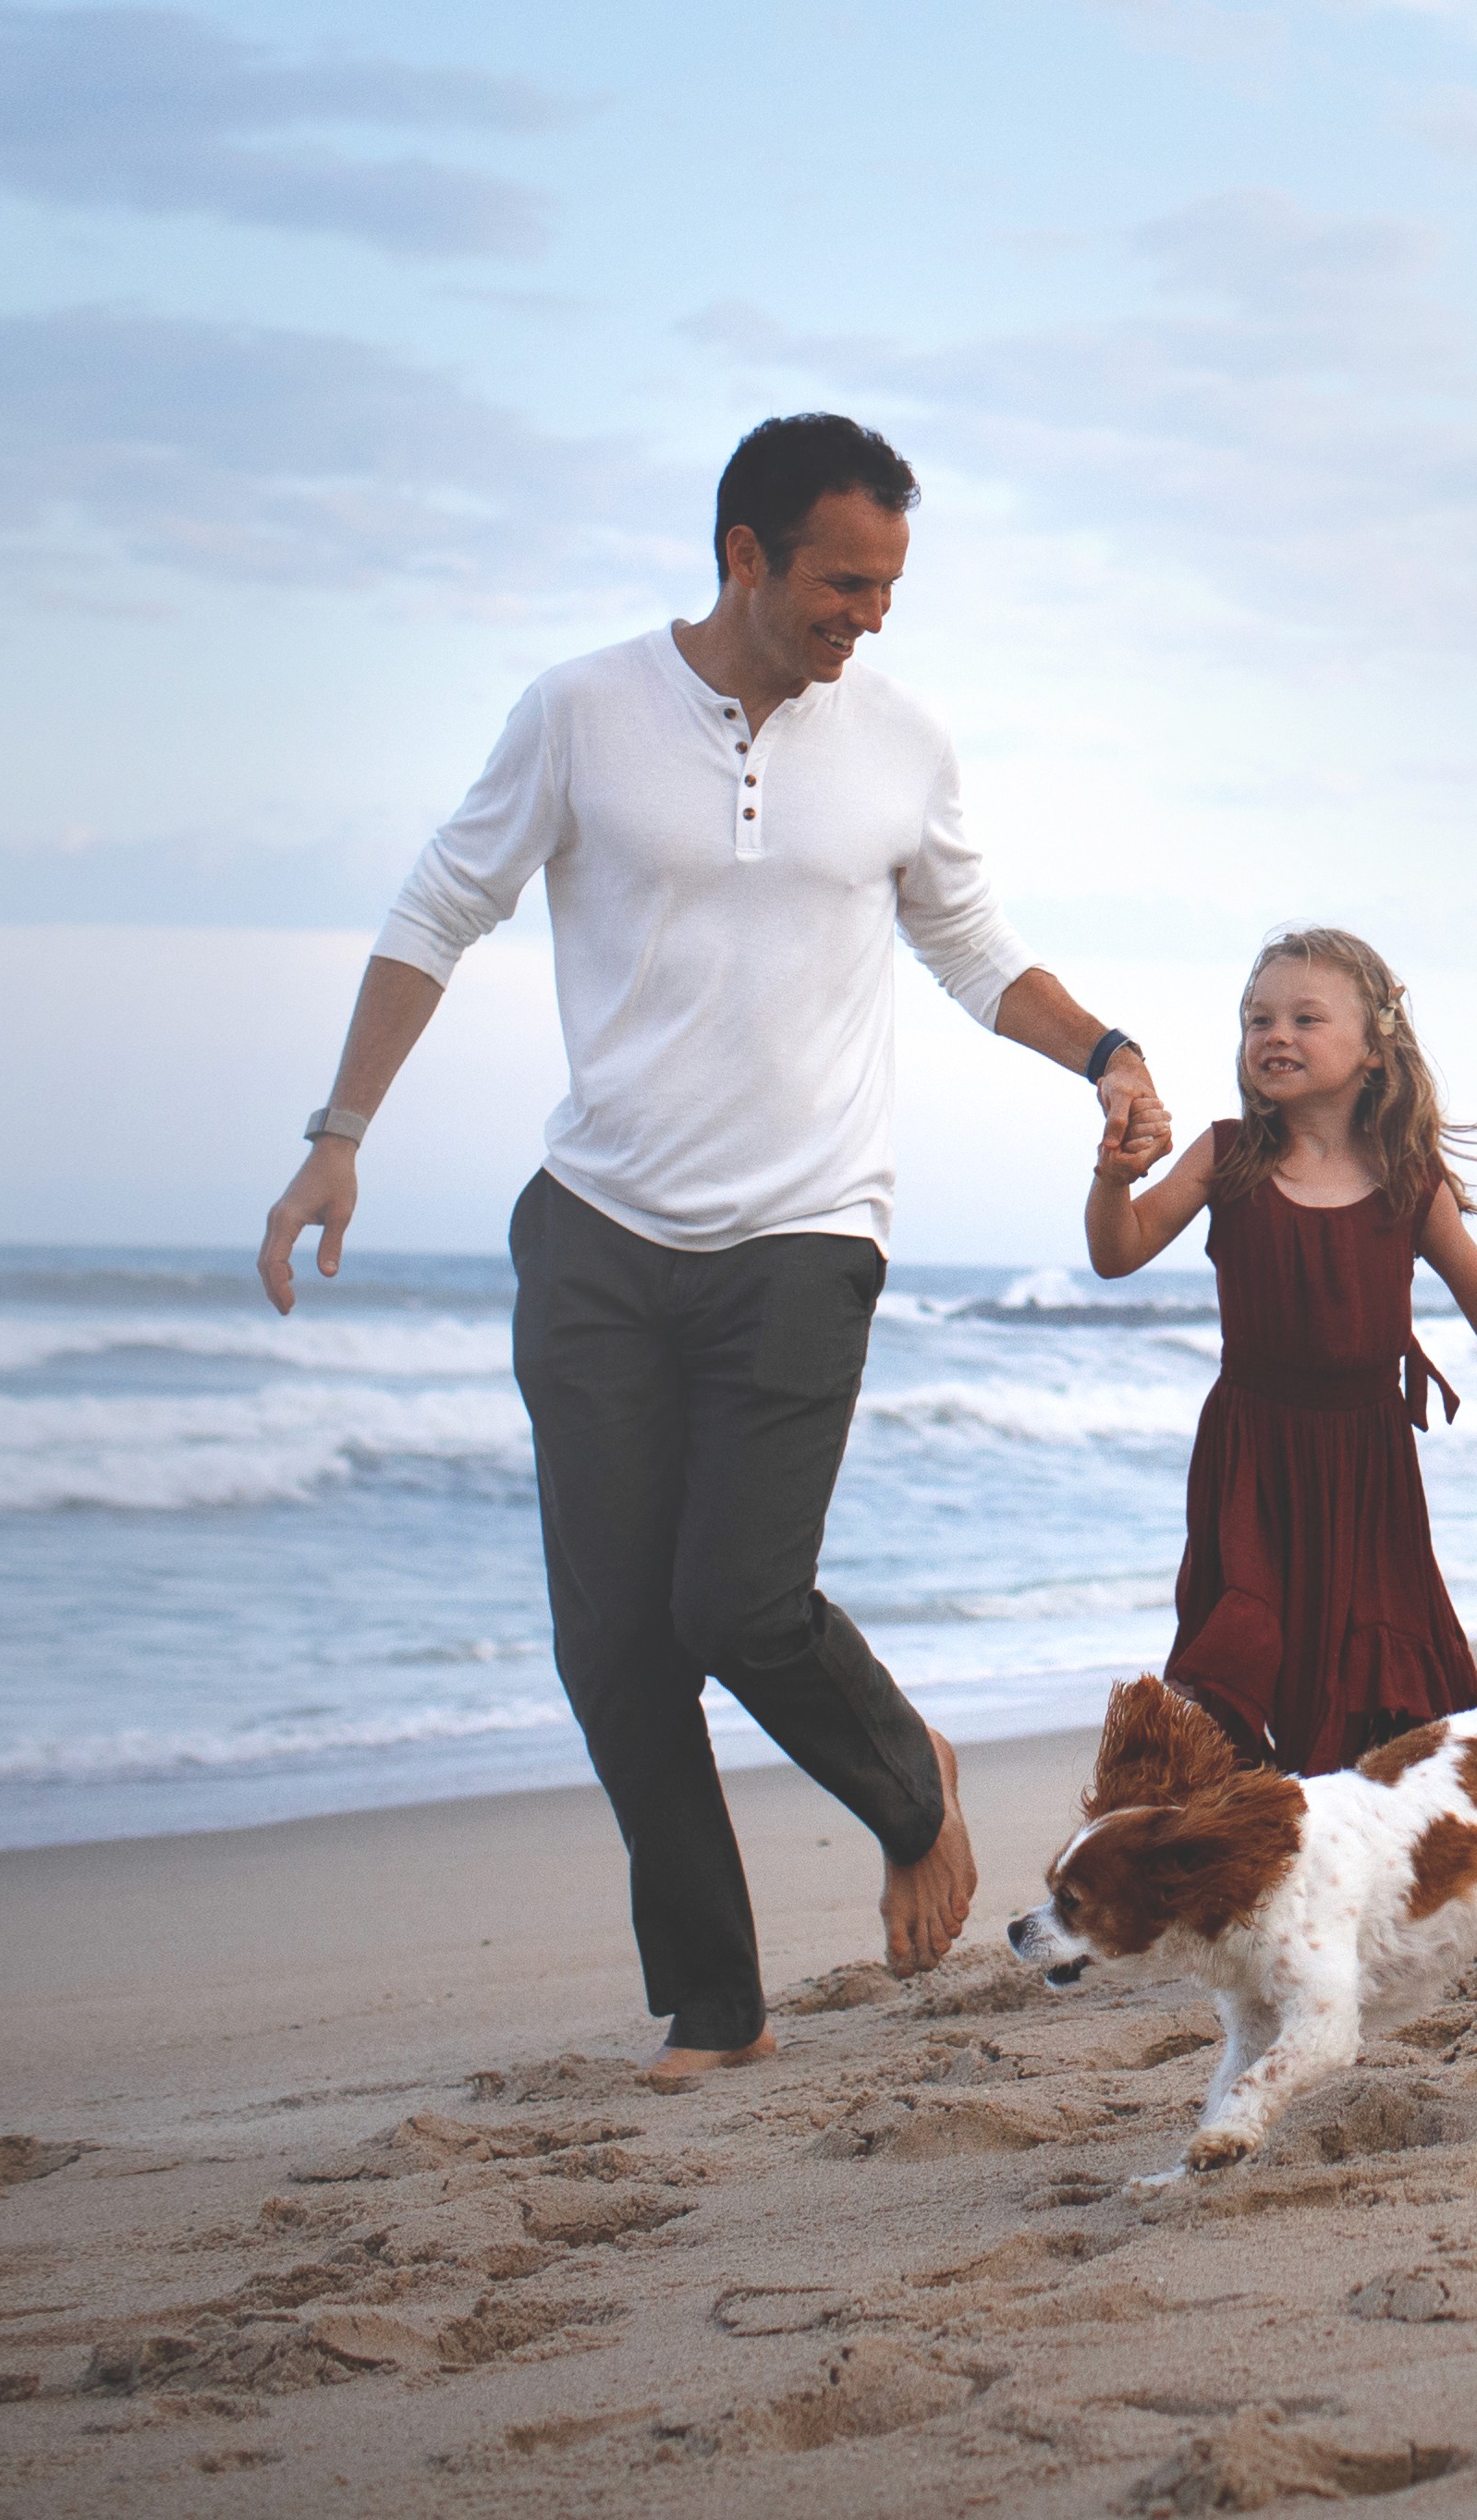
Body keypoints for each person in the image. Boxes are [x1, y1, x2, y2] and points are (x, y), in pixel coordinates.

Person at [256, 411, 1163, 2077]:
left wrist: (1105, 1053)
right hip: (598, 1229)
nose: (869, 616)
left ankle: (909, 1778)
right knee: (614, 1648)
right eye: (843, 580)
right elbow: (436, 908)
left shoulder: (900, 739)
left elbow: (968, 939)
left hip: (804, 1228)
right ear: (743, 553)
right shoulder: (581, 711)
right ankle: (714, 2003)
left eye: (892, 583)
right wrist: (339, 1135)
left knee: (738, 1600)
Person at [1083, 925, 1477, 1776]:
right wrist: (1111, 1178)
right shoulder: (1226, 1154)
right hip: (1252, 1461)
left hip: (1367, 1466)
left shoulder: (1407, 1176)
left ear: (1374, 1052)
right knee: (1239, 1654)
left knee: (1374, 1680)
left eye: (1305, 1017)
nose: (1275, 1034)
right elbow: (1117, 1251)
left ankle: (1383, 1846)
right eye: (1258, 1018)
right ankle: (1241, 1835)